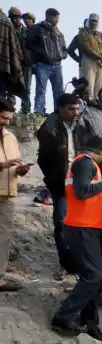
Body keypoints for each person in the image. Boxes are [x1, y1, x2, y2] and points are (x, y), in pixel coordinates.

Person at [49, 134, 102, 336]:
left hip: (88, 227)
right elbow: (82, 191)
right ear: (99, 152)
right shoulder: (84, 164)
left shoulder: (85, 164)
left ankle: (89, 322)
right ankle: (63, 317)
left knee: (92, 276)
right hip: (82, 228)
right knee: (93, 275)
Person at [37, 93, 84, 278]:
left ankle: (78, 259)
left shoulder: (80, 125)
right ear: (60, 108)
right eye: (71, 109)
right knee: (62, 222)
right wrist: (54, 178)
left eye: (77, 108)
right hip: (61, 183)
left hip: (80, 182)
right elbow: (44, 160)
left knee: (81, 223)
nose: (75, 112)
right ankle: (66, 263)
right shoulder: (49, 128)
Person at [0, 100, 29, 293]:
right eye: (3, 117)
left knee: (3, 238)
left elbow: (14, 168)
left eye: (9, 118)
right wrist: (4, 164)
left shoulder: (11, 137)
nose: (6, 122)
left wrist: (21, 170)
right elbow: (4, 164)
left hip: (7, 194)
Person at [26, 8, 66, 115]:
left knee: (59, 91)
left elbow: (63, 46)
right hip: (42, 65)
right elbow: (29, 43)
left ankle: (59, 113)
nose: (57, 20)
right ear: (48, 16)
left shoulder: (58, 31)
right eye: (55, 17)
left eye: (58, 17)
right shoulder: (38, 28)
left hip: (57, 65)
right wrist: (41, 54)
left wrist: (62, 55)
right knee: (41, 91)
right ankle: (38, 113)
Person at [66, 13, 102, 100]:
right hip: (88, 61)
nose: (93, 23)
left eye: (95, 21)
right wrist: (79, 60)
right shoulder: (80, 35)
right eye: (90, 21)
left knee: (99, 90)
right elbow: (70, 50)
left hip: (99, 63)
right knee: (88, 89)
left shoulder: (99, 35)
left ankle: (97, 109)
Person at [9, 8, 32, 113]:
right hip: (11, 62)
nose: (14, 20)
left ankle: (25, 110)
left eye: (16, 17)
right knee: (9, 85)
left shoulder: (28, 31)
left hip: (25, 64)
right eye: (12, 17)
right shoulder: (8, 30)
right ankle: (9, 107)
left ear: (20, 18)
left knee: (26, 87)